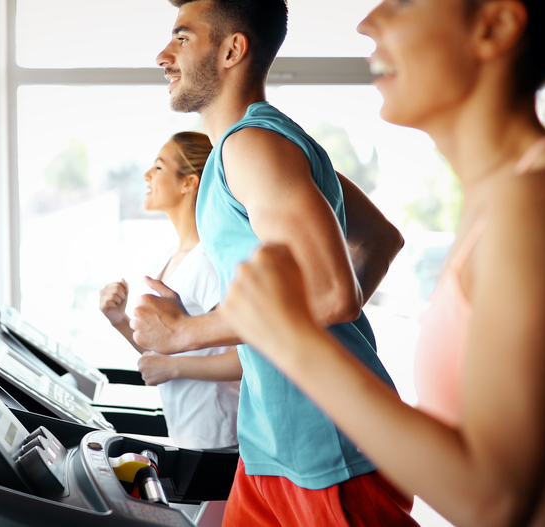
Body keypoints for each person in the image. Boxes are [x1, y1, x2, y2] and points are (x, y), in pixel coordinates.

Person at [220, 1, 545, 526]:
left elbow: (492, 502)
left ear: (494, 26)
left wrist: (293, 340)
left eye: (403, 2)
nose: (367, 22)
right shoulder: (516, 196)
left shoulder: (538, 205)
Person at [132, 1, 413, 525]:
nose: (163, 55)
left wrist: (184, 333)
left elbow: (332, 294)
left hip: (326, 440)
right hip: (269, 437)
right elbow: (379, 241)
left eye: (182, 38)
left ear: (232, 50)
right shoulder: (251, 146)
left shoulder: (254, 145)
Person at [99, 131, 242, 450]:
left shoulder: (207, 262)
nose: (147, 175)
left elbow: (248, 359)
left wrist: (174, 368)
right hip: (188, 433)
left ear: (188, 183)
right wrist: (119, 320)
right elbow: (166, 351)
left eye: (159, 167)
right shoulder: (171, 257)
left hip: (219, 439)